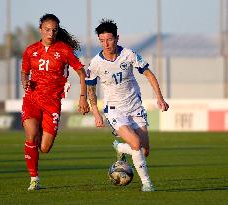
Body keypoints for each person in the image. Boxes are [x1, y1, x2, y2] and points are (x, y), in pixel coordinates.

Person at [85, 19, 169, 192]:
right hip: (115, 110)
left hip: (135, 107)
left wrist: (159, 98)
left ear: (117, 38)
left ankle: (120, 147)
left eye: (109, 39)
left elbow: (149, 74)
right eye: (102, 40)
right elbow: (91, 90)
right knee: (136, 144)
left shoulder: (129, 55)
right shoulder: (95, 63)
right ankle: (147, 184)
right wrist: (96, 113)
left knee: (144, 151)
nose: (106, 44)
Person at [21, 13, 90, 191]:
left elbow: (82, 73)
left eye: (54, 30)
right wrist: (24, 81)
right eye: (47, 30)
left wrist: (83, 97)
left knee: (44, 148)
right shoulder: (30, 50)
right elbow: (24, 72)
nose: (50, 33)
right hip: (32, 98)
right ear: (40, 30)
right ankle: (34, 179)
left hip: (52, 102)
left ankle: (42, 130)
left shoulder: (64, 50)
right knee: (31, 136)